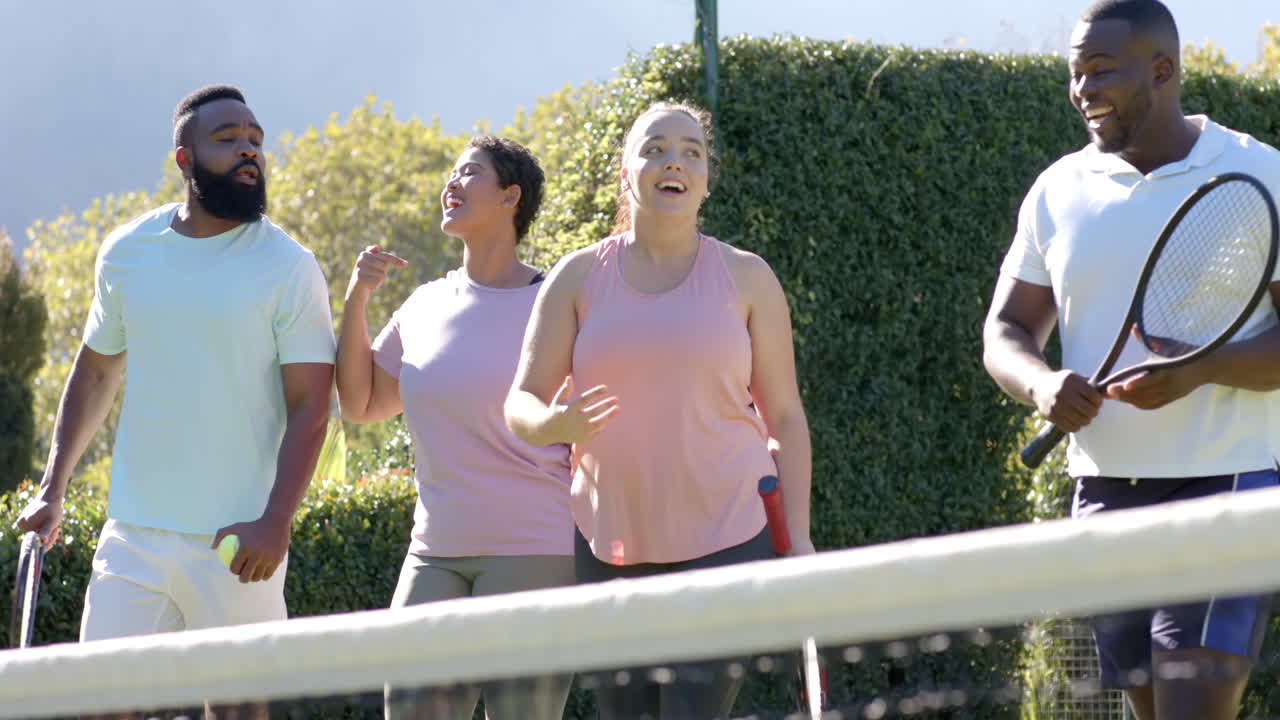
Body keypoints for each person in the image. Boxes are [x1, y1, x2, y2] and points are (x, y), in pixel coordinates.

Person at [981, 2, 1280, 718]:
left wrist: (1201, 370)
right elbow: (1007, 331)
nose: (1082, 89)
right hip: (1104, 491)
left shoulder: (1261, 171)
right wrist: (1043, 382)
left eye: (1100, 71)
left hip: (1231, 485)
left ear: (1164, 70)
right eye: (1074, 74)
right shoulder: (1057, 191)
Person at [504, 101, 814, 720]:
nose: (674, 161)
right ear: (627, 171)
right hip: (609, 542)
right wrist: (555, 425)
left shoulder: (748, 277)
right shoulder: (577, 276)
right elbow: (521, 402)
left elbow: (784, 418)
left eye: (692, 152)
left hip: (730, 534)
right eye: (655, 148)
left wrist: (799, 538)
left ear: (704, 180)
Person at [15, 84, 335, 643]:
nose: (248, 150)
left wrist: (275, 522)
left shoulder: (289, 266)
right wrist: (53, 488)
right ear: (184, 159)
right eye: (227, 138)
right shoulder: (127, 251)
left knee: (235, 708)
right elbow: (95, 371)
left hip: (239, 543)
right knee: (103, 700)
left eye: (256, 140)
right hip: (132, 538)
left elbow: (311, 403)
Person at [336, 136, 575, 720]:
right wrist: (357, 298)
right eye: (451, 172)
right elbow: (361, 402)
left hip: (534, 549)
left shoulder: (558, 301)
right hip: (434, 551)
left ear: (510, 197)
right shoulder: (424, 303)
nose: (452, 183)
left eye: (470, 172)